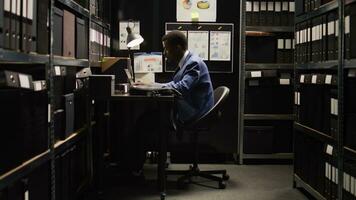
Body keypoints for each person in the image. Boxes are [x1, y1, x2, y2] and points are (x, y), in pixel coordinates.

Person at [124, 30, 214, 179]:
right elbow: (176, 84)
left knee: (144, 122)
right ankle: (134, 166)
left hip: (194, 113)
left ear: (177, 48)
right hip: (189, 108)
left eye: (167, 48)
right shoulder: (187, 62)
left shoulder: (193, 63)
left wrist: (154, 87)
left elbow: (182, 88)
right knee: (146, 120)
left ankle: (134, 169)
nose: (165, 53)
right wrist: (154, 85)